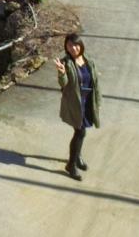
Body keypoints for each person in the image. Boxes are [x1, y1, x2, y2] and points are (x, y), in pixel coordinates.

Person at [53, 33, 101, 180]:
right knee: (79, 133)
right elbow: (64, 84)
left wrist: (97, 101)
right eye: (69, 46)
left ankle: (77, 157)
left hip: (88, 102)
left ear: (81, 45)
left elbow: (96, 83)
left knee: (82, 132)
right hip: (75, 103)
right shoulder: (66, 63)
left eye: (75, 45)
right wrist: (61, 73)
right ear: (66, 47)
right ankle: (71, 165)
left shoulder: (89, 61)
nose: (73, 48)